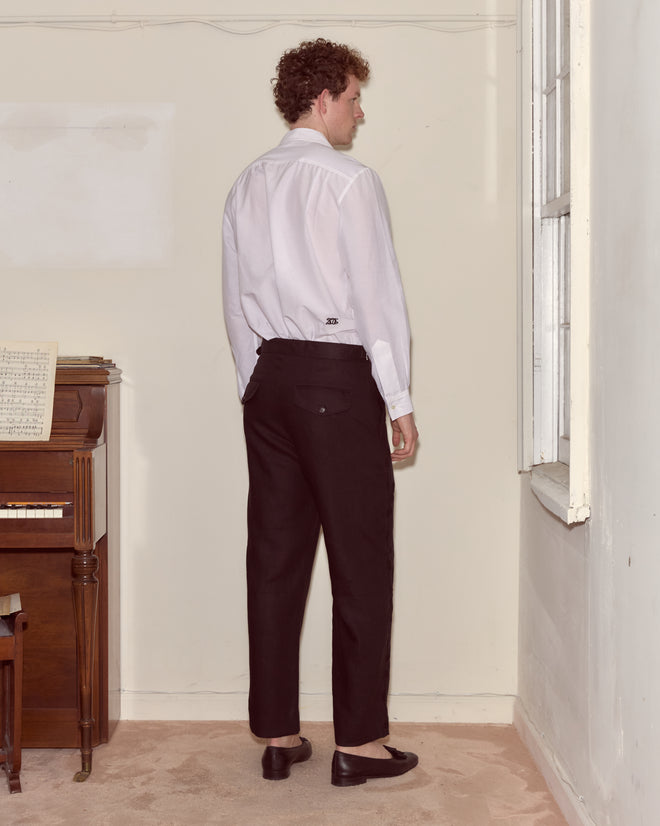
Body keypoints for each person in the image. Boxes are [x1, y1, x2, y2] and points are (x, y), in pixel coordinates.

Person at [222, 38, 419, 787]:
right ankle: (359, 743)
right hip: (337, 379)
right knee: (360, 559)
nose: (360, 113)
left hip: (271, 377)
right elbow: (377, 298)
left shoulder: (247, 182)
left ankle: (277, 734)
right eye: (355, 98)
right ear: (323, 97)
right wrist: (398, 399)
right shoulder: (349, 181)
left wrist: (256, 382)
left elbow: (234, 300)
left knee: (273, 558)